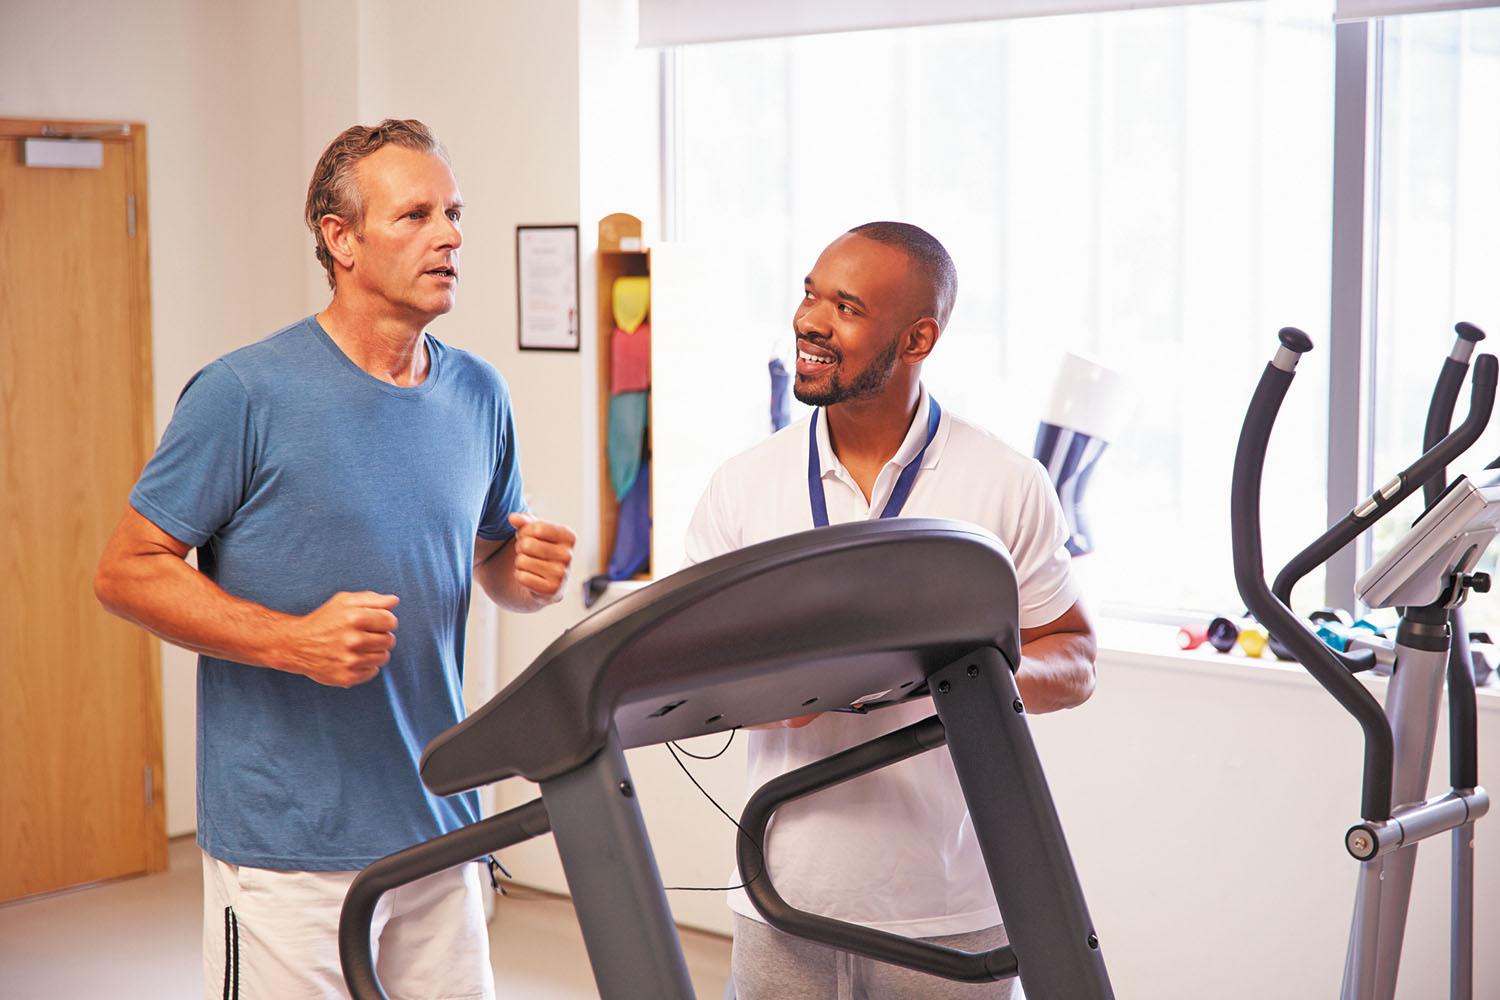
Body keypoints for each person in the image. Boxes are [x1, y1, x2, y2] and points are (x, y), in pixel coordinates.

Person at [93, 119, 576, 1000]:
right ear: (340, 239)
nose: (452, 235)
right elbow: (127, 569)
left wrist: (524, 574)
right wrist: (291, 641)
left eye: (456, 212)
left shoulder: (478, 392)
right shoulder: (245, 392)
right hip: (290, 845)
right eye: (417, 214)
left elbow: (492, 559)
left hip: (439, 823)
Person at [684, 222, 1097, 1000]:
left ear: (916, 338)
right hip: (781, 900)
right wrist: (774, 697)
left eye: (845, 306)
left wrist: (961, 683)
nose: (809, 320)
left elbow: (1073, 657)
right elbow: (690, 678)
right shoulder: (742, 486)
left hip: (950, 908)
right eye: (809, 293)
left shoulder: (1004, 483)